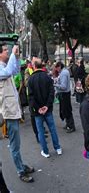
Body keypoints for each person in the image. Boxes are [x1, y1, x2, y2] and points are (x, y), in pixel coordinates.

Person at [0, 43, 35, 183]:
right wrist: (14, 55)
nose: (7, 52)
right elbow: (9, 72)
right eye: (5, 50)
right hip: (8, 112)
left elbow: (14, 71)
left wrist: (16, 56)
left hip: (12, 110)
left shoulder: (4, 66)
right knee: (14, 144)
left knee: (16, 143)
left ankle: (21, 165)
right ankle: (21, 171)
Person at [28, 59, 62, 158]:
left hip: (38, 111)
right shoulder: (47, 77)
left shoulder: (31, 79)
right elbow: (52, 93)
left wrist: (38, 108)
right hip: (47, 109)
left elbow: (31, 97)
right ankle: (57, 148)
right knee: (52, 129)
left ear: (34, 66)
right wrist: (47, 106)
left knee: (40, 131)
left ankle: (45, 151)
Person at [54, 62, 76, 133]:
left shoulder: (63, 73)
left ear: (59, 66)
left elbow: (63, 86)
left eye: (57, 68)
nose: (56, 70)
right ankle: (68, 124)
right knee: (65, 110)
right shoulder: (64, 72)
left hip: (64, 94)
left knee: (67, 110)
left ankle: (71, 126)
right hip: (65, 94)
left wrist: (55, 85)